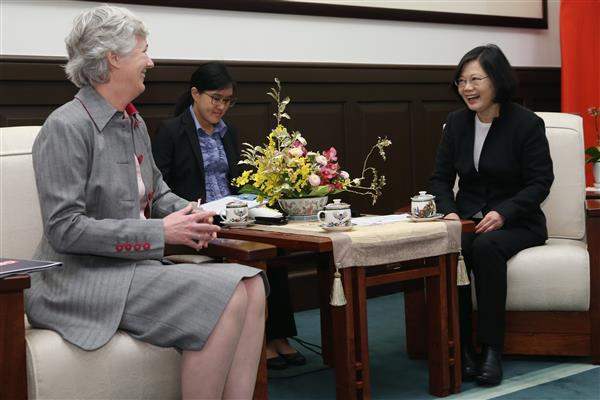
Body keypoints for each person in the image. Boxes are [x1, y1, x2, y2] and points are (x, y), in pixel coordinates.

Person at [26, 5, 268, 399]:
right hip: (77, 281)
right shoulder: (65, 126)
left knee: (253, 283)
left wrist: (196, 214)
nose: (151, 62)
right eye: (144, 51)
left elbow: (159, 194)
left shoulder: (132, 122)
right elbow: (64, 229)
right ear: (113, 58)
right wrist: (161, 232)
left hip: (130, 269)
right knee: (226, 295)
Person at [152, 62, 306, 370]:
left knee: (274, 247)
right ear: (195, 94)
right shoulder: (171, 131)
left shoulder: (228, 131)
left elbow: (236, 179)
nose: (221, 106)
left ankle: (279, 336)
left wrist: (254, 197)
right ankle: (261, 340)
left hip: (234, 216)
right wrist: (192, 209)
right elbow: (159, 188)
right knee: (254, 254)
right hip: (198, 221)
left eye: (227, 101)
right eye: (215, 98)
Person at [429, 44, 553, 386]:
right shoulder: (456, 123)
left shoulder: (526, 124)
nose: (467, 88)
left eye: (475, 79)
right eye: (461, 81)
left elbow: (541, 182)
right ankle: (462, 348)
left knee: (486, 247)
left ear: (496, 80)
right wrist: (450, 214)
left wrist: (503, 212)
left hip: (518, 222)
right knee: (454, 248)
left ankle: (491, 349)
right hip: (469, 220)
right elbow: (439, 179)